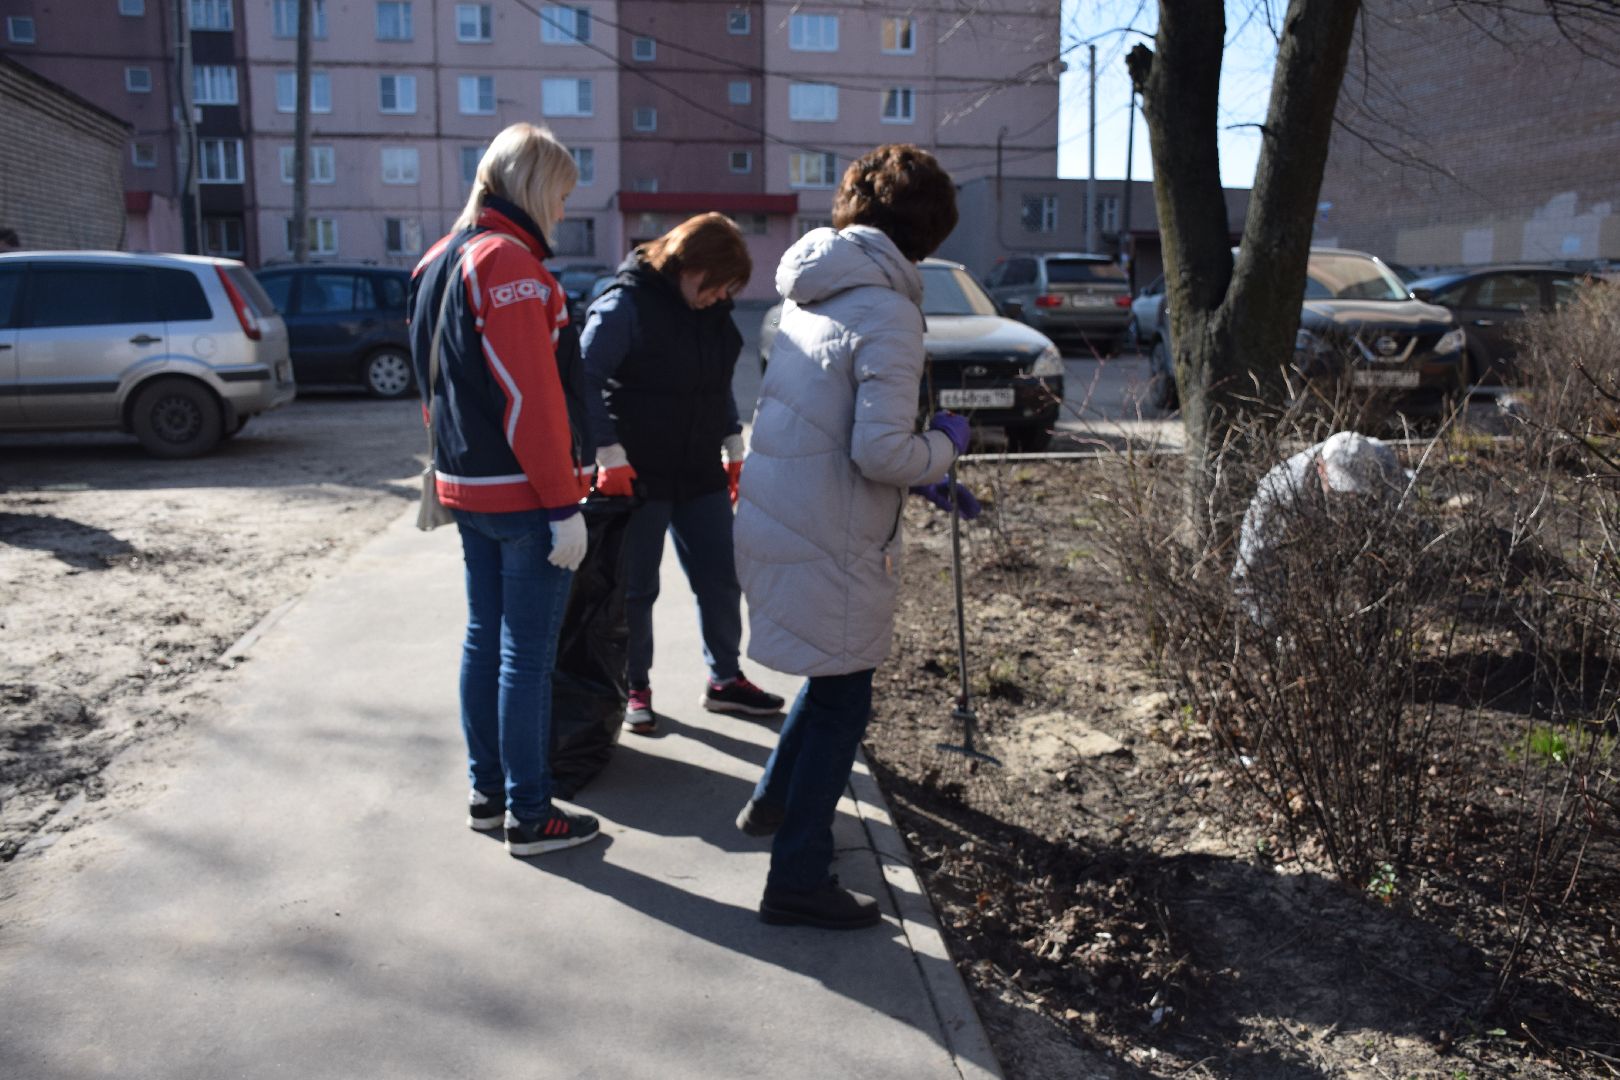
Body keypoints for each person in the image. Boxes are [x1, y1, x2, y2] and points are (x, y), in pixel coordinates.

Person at [731, 145, 973, 930]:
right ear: (927, 229)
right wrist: (945, 447)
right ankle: (797, 877)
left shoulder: (816, 290)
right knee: (845, 698)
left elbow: (832, 421)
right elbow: (880, 453)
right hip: (831, 531)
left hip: (786, 510)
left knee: (832, 675)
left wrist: (922, 470)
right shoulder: (889, 310)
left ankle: (772, 801)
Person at [408, 122, 599, 858]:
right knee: (525, 658)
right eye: (561, 194)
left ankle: (489, 795)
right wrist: (562, 504)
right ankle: (531, 814)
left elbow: (435, 386)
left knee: (484, 641)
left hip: (467, 488)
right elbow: (532, 400)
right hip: (524, 498)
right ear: (535, 186)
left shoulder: (437, 259)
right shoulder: (508, 264)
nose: (562, 210)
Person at [580, 212, 785, 735]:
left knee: (721, 577)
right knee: (635, 589)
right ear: (687, 265)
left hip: (699, 471)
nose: (719, 297)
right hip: (637, 475)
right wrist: (608, 454)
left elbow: (715, 382)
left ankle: (725, 680)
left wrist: (732, 442)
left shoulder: (710, 311)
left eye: (727, 290)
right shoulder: (626, 305)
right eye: (714, 285)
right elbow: (582, 378)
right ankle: (634, 685)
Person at [1232, 430, 1408, 628]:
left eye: (1357, 493)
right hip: (1299, 564)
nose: (1350, 500)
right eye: (1340, 491)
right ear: (1321, 468)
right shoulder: (1282, 490)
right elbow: (1253, 569)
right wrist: (1272, 626)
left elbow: (1406, 532)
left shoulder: (1384, 463)